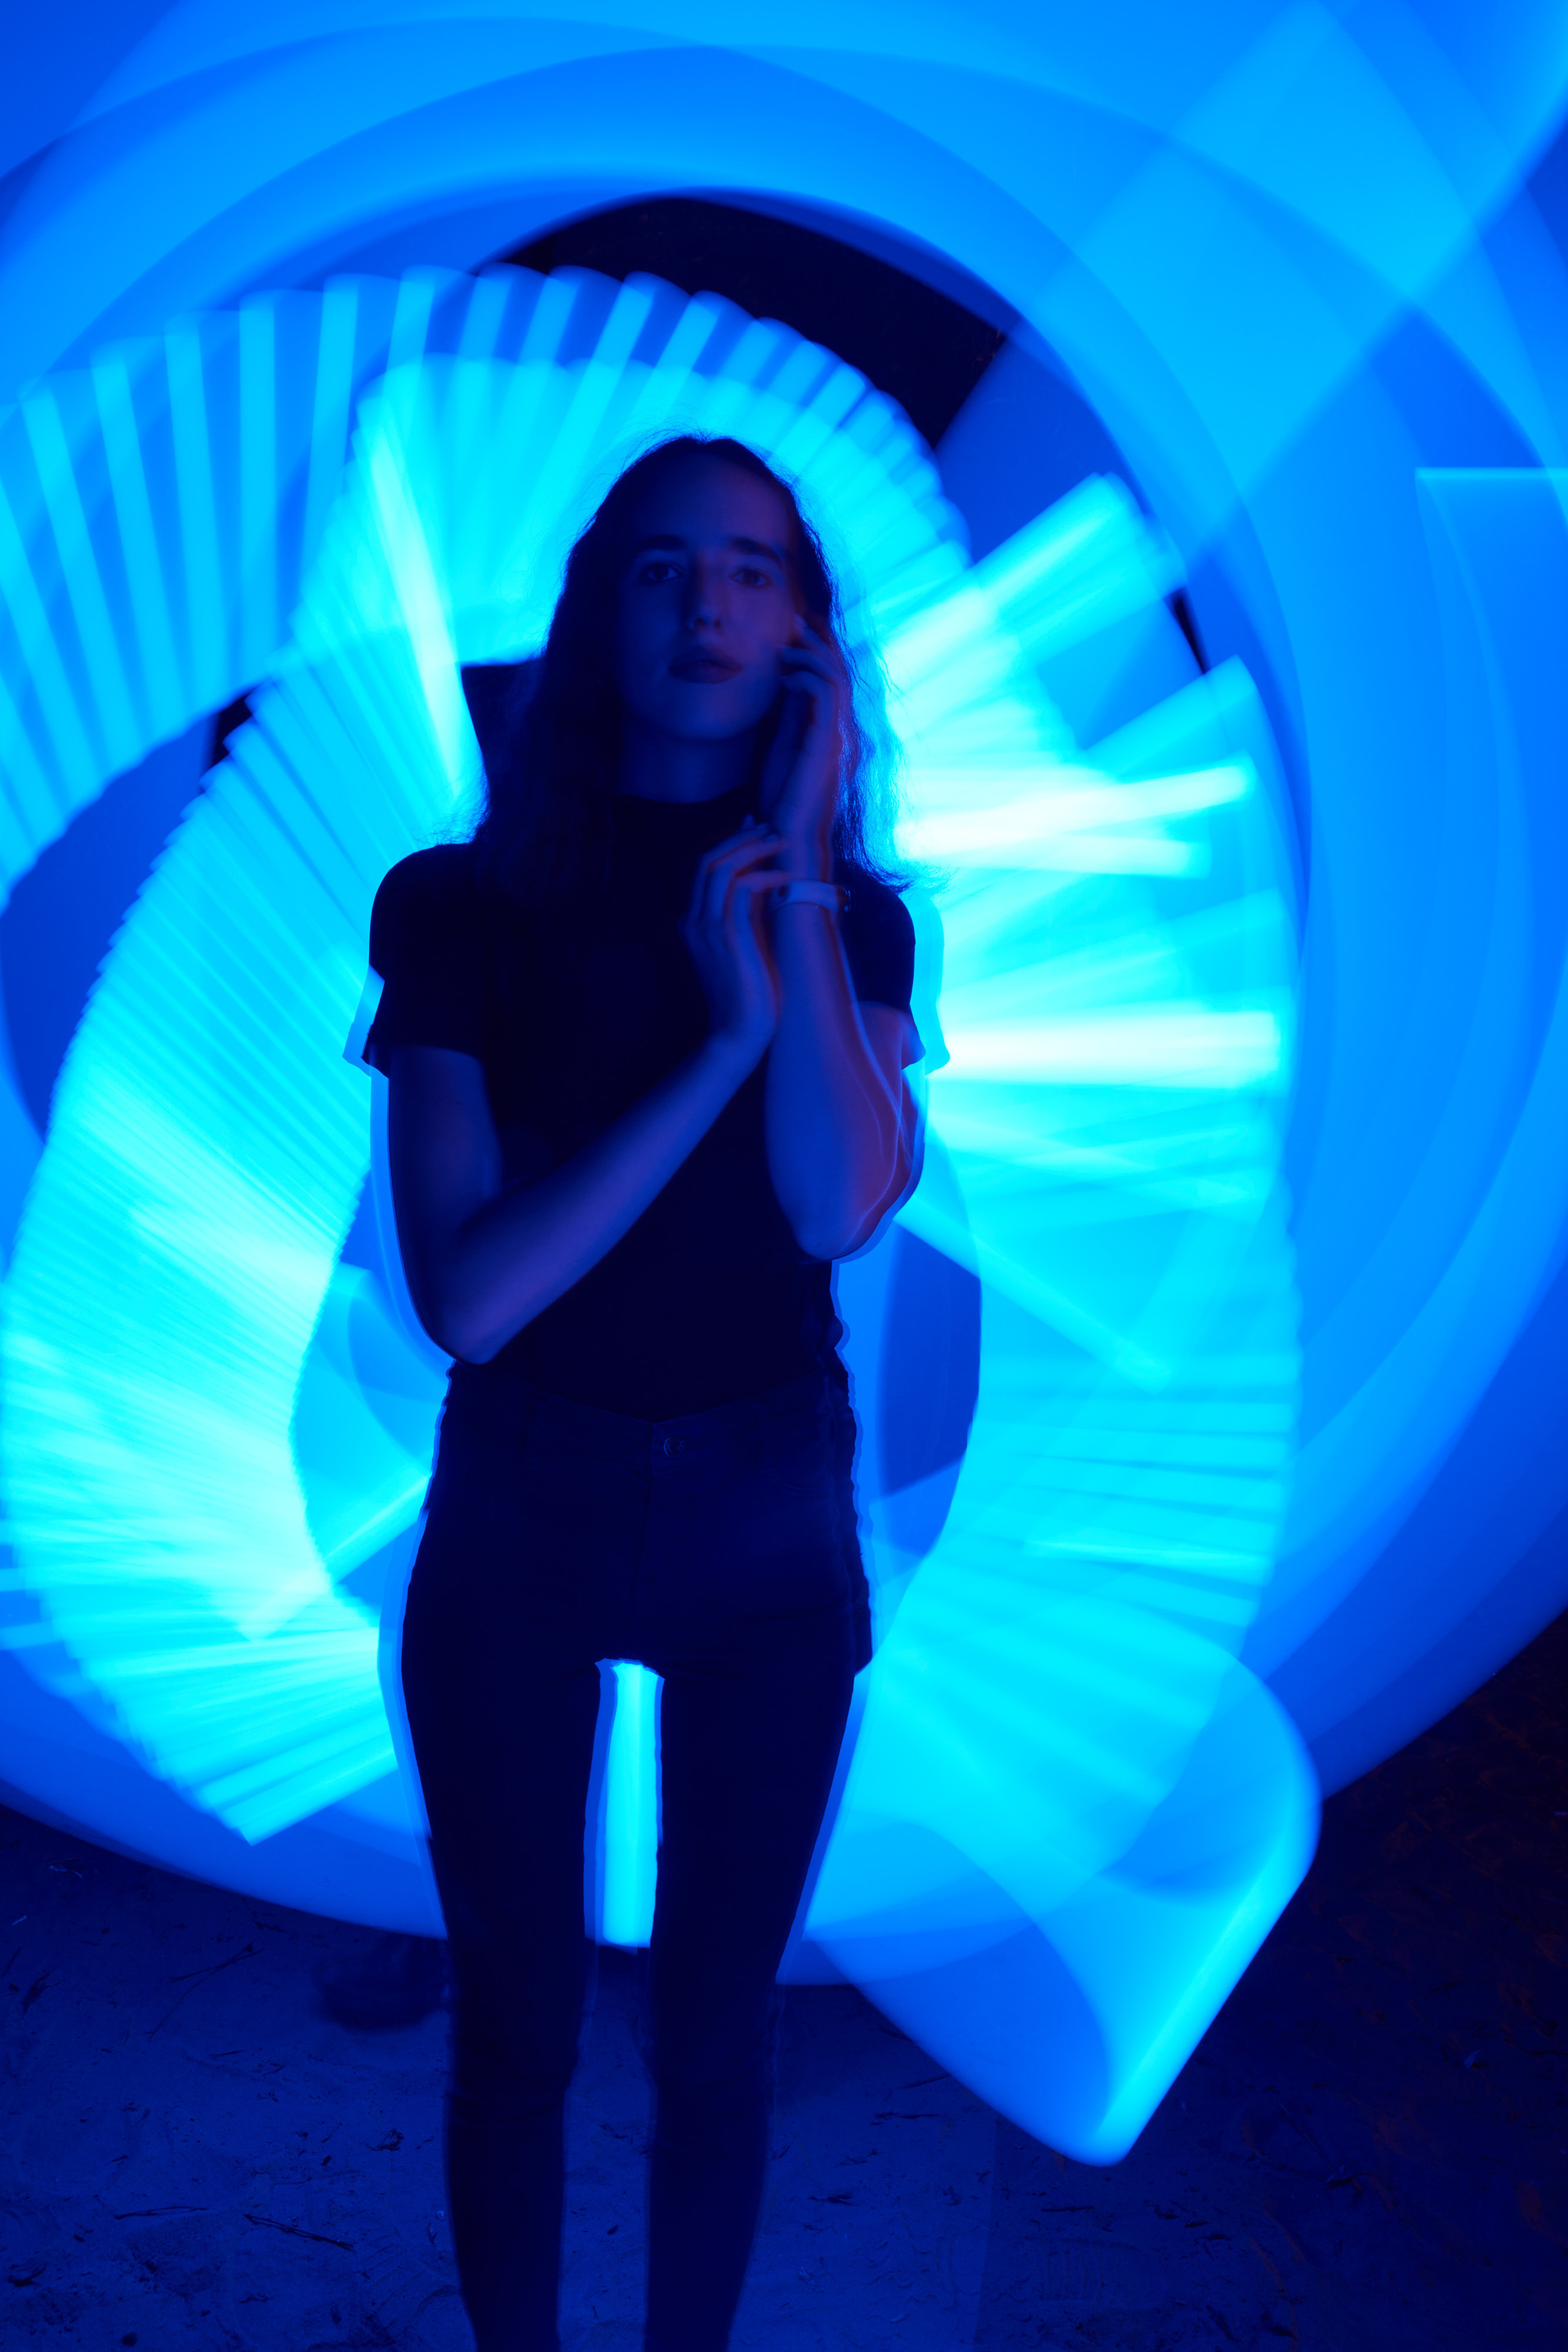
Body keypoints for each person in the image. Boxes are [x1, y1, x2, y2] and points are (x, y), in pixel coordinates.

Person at [364, 433, 924, 2351]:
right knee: (516, 2034)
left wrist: (809, 891)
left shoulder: (860, 921)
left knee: (717, 2040)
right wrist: (719, 1044)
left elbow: (835, 1205)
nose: (708, 605)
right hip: (523, 1503)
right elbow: (470, 1301)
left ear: (806, 637)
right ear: (600, 605)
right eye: (664, 565)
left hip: (768, 1516)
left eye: (754, 570)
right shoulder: (460, 905)